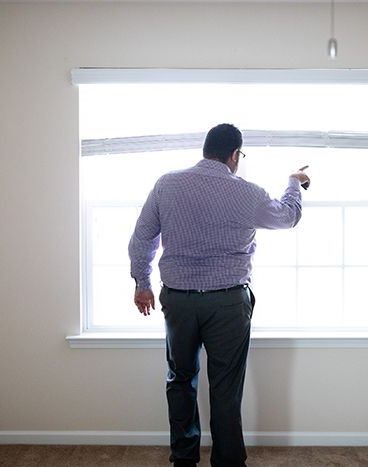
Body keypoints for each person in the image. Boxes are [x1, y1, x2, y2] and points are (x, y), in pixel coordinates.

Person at [128, 123, 310, 467]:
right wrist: (293, 182)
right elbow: (287, 217)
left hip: (179, 301)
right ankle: (228, 462)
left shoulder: (167, 184)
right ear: (234, 155)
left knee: (180, 378)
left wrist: (142, 282)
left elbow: (143, 237)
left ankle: (184, 458)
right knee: (225, 386)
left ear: (205, 149)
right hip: (227, 303)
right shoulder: (247, 192)